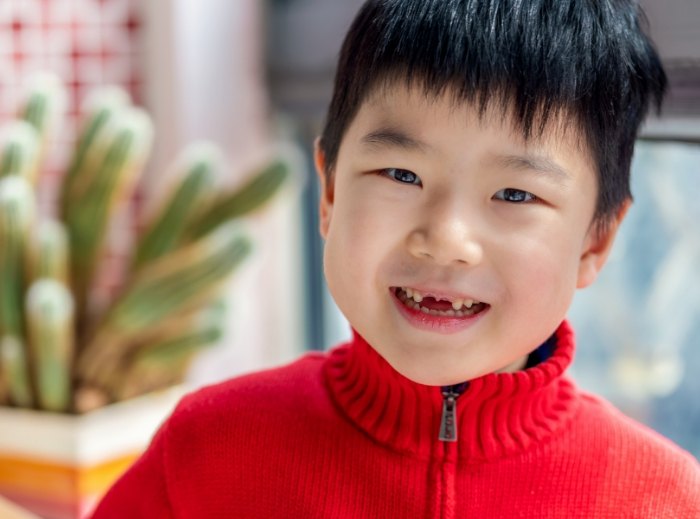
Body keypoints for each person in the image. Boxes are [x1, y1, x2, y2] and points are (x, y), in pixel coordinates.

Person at [91, 0, 700, 517]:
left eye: (516, 194)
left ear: (594, 242)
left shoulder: (663, 498)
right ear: (329, 193)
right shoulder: (208, 447)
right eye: (400, 173)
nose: (445, 238)